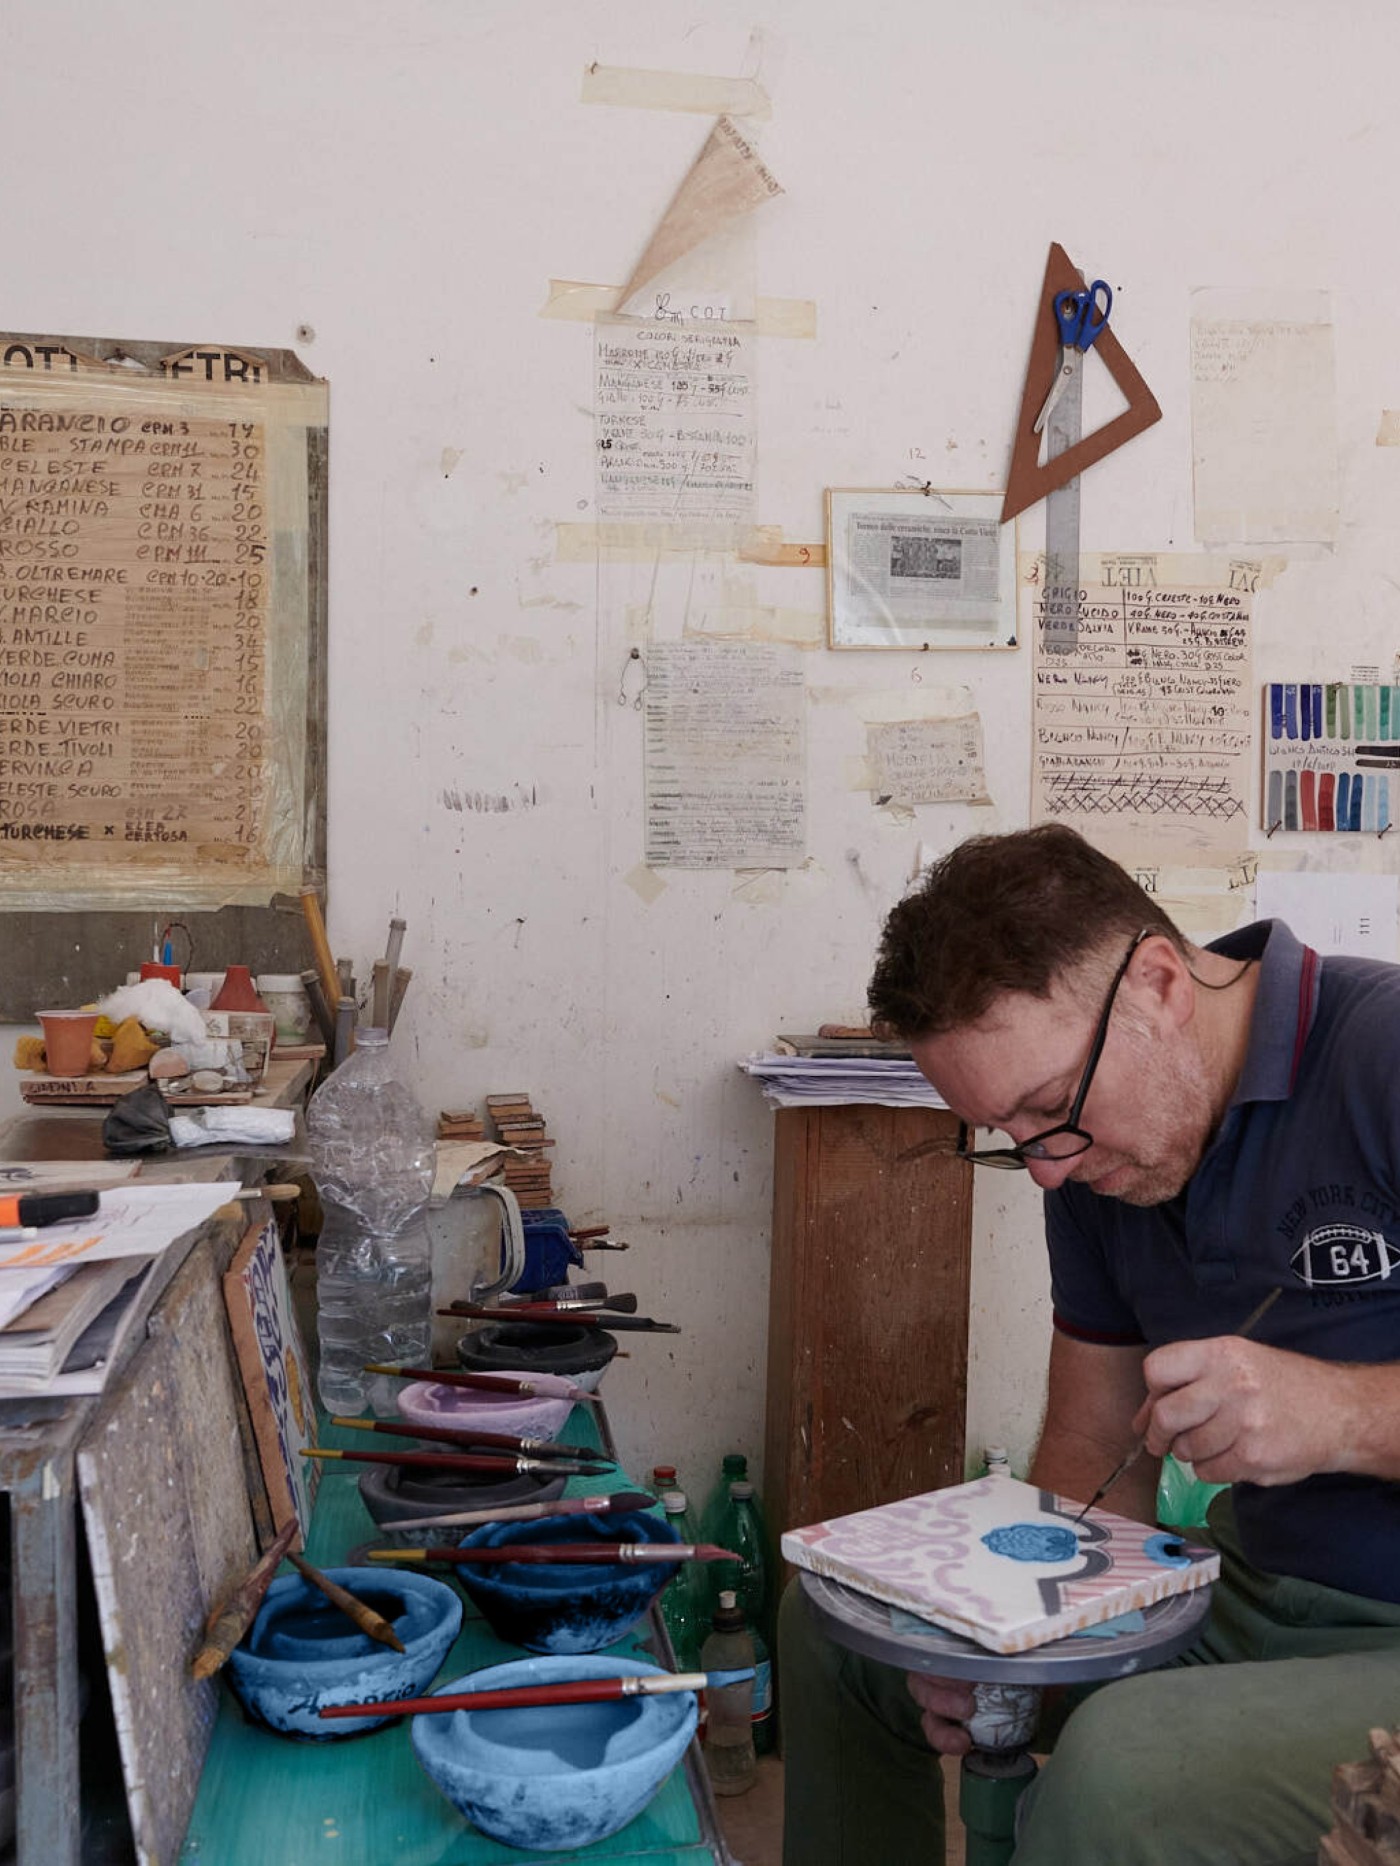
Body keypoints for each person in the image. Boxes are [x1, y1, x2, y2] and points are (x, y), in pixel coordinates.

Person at [779, 823, 1400, 1866]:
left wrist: (1339, 1416)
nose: (1043, 1172)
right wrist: (1003, 1633)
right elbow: (1090, 1454)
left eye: (1046, 1110)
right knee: (835, 1633)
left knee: (1118, 1768)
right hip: (1249, 1599)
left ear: (1157, 982)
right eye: (1004, 1136)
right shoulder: (1092, 1164)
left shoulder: (1380, 1052)